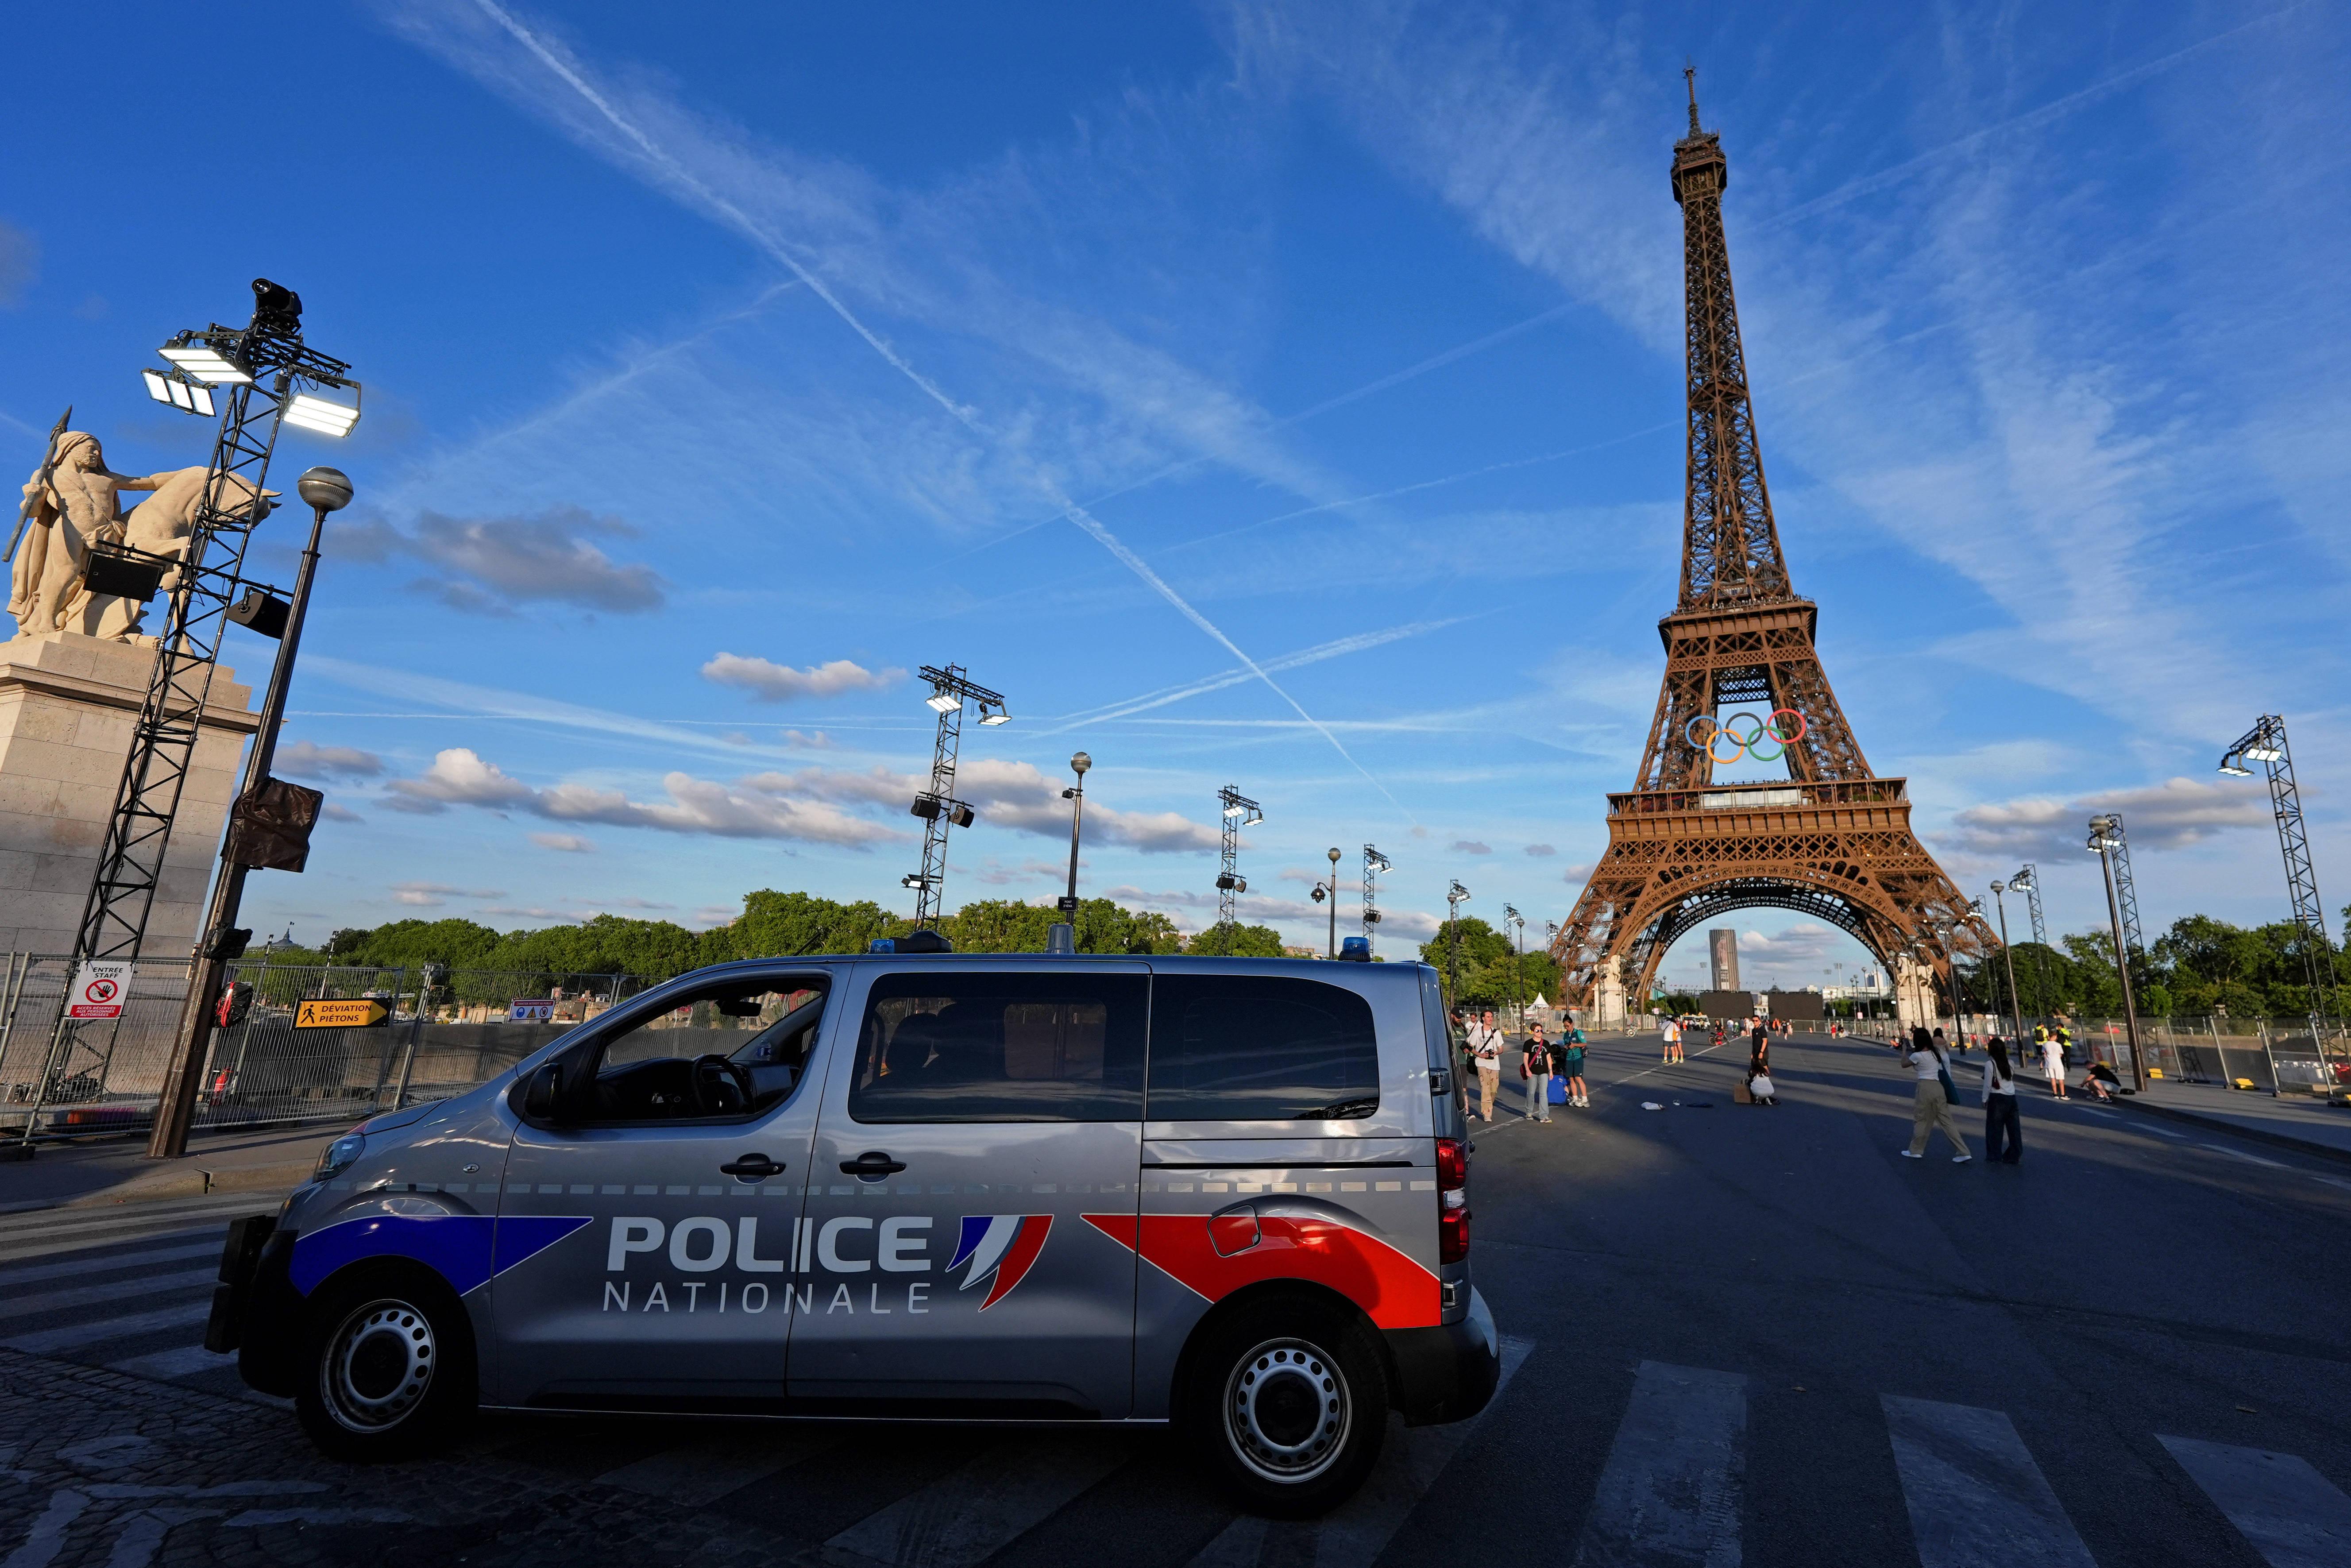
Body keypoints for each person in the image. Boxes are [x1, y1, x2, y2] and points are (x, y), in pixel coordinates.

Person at [1903, 1031, 1971, 1162]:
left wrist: (1905, 1051)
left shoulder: (1917, 1055)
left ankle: (1916, 1150)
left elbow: (1904, 1064)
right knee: (1947, 1122)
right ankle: (1963, 1151)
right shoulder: (1936, 1054)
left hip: (1925, 1087)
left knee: (1921, 1119)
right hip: (1938, 1087)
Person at [1981, 1038, 2021, 1163]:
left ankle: (1994, 1156)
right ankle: (2015, 1155)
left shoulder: (1990, 1064)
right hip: (2011, 1097)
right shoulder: (2011, 1063)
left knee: (1995, 1129)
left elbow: (1988, 1085)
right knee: (2014, 1129)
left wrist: (1984, 1099)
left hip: (1997, 1098)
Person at [1468, 1009, 1504, 1122]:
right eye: (1488, 1017)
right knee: (1485, 1088)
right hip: (1481, 1063)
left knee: (1494, 1089)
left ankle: (1489, 1104)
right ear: (1483, 1018)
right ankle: (1487, 1113)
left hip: (1494, 1065)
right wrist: (1480, 1055)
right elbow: (1470, 1047)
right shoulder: (1477, 1032)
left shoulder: (1496, 1033)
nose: (1490, 1019)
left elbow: (1501, 1049)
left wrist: (1496, 1052)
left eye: (1492, 1017)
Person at [1521, 1026, 1551, 1122]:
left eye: (1541, 1030)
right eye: (1537, 1031)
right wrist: (1527, 1070)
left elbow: (1549, 1058)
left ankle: (1544, 1115)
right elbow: (1526, 1058)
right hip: (1532, 1071)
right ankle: (1529, 1112)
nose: (1540, 1032)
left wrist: (1551, 1071)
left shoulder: (1546, 1043)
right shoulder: (1528, 1043)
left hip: (1544, 1071)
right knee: (1531, 1093)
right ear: (1532, 1032)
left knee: (1543, 1094)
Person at [1560, 1027, 1589, 1109]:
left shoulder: (1578, 1033)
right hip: (1569, 1058)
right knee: (1571, 1079)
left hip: (1578, 1057)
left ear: (1572, 1024)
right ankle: (1575, 1098)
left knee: (1578, 1078)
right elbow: (1565, 1044)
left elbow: (1584, 1043)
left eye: (1568, 1025)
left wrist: (1575, 1045)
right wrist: (1566, 1047)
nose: (1567, 1028)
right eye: (1565, 1026)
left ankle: (1585, 1099)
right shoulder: (1565, 1034)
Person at [2038, 1027, 2066, 1099]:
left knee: (2053, 1079)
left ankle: (2055, 1094)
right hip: (2058, 1063)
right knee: (2061, 1079)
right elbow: (2061, 1054)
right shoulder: (2058, 1045)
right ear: (2055, 1037)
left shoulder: (2045, 1044)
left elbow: (2044, 1053)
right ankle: (2063, 1094)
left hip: (2049, 1063)